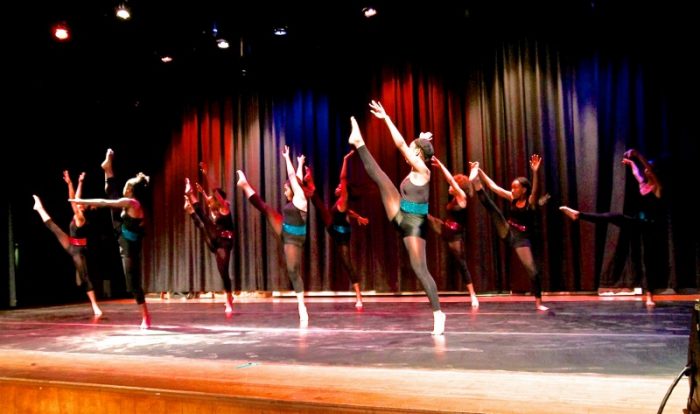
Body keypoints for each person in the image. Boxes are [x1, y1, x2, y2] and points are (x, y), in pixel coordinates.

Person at [348, 100, 446, 335]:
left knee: (420, 269)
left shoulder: (424, 171)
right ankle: (359, 143)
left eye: (414, 150)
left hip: (414, 224)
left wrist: (387, 119)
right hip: (400, 214)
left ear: (419, 154)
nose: (409, 153)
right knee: (381, 178)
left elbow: (402, 144)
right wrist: (421, 139)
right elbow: (410, 147)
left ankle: (438, 313)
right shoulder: (415, 168)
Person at [559, 148, 664, 307]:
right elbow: (637, 172)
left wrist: (637, 155)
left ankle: (649, 296)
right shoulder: (643, 184)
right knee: (612, 216)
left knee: (647, 261)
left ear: (653, 172)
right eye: (646, 169)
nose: (646, 171)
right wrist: (631, 163)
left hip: (651, 228)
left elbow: (647, 169)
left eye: (649, 169)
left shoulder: (657, 188)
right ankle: (578, 215)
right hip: (637, 223)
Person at [70, 149, 151, 329]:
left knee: (133, 285)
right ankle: (108, 169)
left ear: (131, 190)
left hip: (129, 246)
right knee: (113, 193)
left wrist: (83, 202)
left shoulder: (132, 203)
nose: (125, 187)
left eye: (128, 186)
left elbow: (106, 203)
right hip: (121, 232)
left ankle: (145, 316)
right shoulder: (127, 201)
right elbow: (111, 202)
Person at [236, 145, 309, 322]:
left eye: (286, 189)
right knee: (267, 209)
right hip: (285, 229)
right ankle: (245, 185)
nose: (285, 191)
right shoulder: (294, 197)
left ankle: (301, 305)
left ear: (294, 189)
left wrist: (287, 158)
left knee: (293, 270)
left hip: (294, 238)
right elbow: (296, 178)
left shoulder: (300, 198)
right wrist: (300, 163)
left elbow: (294, 179)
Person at [472, 154, 549, 311]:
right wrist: (479, 171)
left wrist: (535, 172)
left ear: (524, 190)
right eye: (512, 187)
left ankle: (538, 302)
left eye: (515, 187)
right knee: (494, 211)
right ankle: (477, 184)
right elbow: (494, 187)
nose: (512, 190)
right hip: (508, 232)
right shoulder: (512, 197)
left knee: (532, 270)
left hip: (522, 239)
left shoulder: (530, 202)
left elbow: (535, 190)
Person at [32, 171, 103, 317]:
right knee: (54, 228)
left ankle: (95, 306)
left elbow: (72, 199)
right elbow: (76, 198)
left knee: (85, 277)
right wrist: (80, 182)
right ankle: (39, 208)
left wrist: (70, 184)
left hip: (78, 250)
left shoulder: (80, 217)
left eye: (81, 204)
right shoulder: (80, 212)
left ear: (83, 208)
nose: (79, 203)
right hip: (72, 243)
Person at [305, 150, 369, 309]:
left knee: (348, 263)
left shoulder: (343, 198)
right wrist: (359, 217)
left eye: (340, 187)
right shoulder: (341, 204)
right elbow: (348, 212)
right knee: (321, 208)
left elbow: (343, 178)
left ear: (344, 190)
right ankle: (309, 184)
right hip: (336, 228)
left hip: (340, 233)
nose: (337, 187)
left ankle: (359, 296)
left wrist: (345, 159)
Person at [183, 160, 235, 313]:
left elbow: (215, 193)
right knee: (205, 222)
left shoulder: (225, 209)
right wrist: (203, 194)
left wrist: (206, 174)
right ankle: (190, 196)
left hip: (225, 242)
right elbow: (210, 201)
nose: (211, 201)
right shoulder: (216, 211)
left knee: (224, 272)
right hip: (215, 242)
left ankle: (229, 299)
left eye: (214, 199)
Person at [429, 157, 479, 308]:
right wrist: (473, 173)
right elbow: (455, 181)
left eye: (453, 185)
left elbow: (450, 180)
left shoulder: (462, 198)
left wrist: (441, 166)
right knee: (424, 215)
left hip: (454, 236)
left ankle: (473, 295)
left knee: (461, 264)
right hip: (444, 228)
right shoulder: (455, 199)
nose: (449, 186)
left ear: (459, 187)